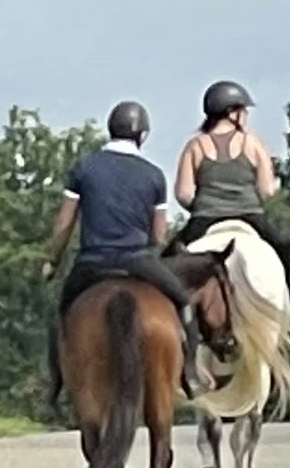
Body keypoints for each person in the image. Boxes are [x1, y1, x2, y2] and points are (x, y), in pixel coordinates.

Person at [42, 101, 200, 398]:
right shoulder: (153, 175)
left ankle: (57, 381)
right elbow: (158, 233)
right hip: (138, 260)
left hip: (92, 261)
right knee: (183, 302)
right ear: (142, 134)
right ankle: (189, 374)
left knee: (63, 311)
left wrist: (53, 260)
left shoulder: (84, 167)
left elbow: (64, 222)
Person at [171, 81, 290, 297]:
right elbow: (267, 191)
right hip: (250, 216)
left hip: (205, 218)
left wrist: (202, 203)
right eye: (243, 110)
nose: (246, 115)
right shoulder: (252, 142)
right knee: (284, 247)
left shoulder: (195, 146)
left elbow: (184, 194)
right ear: (231, 112)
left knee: (168, 259)